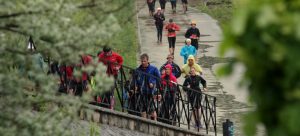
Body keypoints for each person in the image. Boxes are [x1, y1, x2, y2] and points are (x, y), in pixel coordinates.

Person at [134, 53, 160, 120]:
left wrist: (153, 83)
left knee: (152, 110)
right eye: (142, 61)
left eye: (144, 61)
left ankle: (154, 123)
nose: (143, 63)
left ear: (148, 61)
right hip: (142, 92)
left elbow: (159, 79)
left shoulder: (154, 69)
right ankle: (144, 124)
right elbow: (135, 80)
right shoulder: (138, 70)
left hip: (151, 92)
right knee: (143, 109)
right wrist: (136, 85)